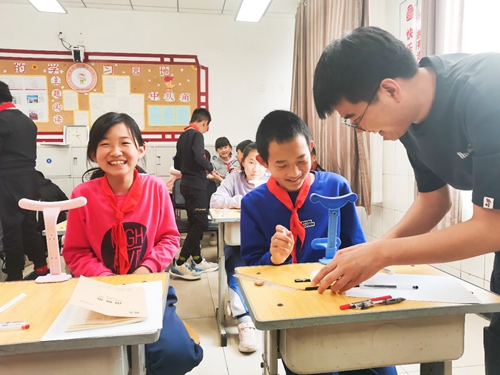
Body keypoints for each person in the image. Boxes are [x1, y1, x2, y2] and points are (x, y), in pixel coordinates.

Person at [311, 26, 500, 375]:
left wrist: (381, 253)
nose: (362, 130)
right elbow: (433, 201)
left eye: (355, 119)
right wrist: (371, 253)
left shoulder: (486, 92)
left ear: (389, 89)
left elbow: (492, 228)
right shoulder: (409, 121)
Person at [240, 110, 397, 375]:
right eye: (281, 165)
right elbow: (252, 266)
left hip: (343, 301)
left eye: (302, 160)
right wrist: (273, 258)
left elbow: (357, 247)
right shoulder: (253, 204)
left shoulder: (336, 187)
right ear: (263, 161)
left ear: (312, 151)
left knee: (380, 368)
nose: (294, 172)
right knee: (316, 366)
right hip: (294, 311)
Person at [62, 112, 203, 375]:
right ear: (93, 153)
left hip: (148, 289)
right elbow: (76, 252)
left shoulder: (156, 188)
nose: (115, 151)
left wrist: (145, 270)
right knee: (92, 362)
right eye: (105, 144)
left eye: (125, 143)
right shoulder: (82, 195)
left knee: (177, 355)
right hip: (100, 293)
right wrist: (108, 280)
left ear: (141, 149)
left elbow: (169, 238)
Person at [210, 142, 268, 353]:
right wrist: (242, 201)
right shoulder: (234, 179)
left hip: (267, 246)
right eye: (251, 162)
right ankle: (244, 322)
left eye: (261, 163)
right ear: (243, 162)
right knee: (236, 268)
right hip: (238, 244)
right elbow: (215, 200)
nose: (256, 167)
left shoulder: (272, 182)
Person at [0, 81, 49, 281]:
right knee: (29, 226)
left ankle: (14, 275)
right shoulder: (27, 121)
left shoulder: (2, 121)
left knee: (11, 227)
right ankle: (41, 267)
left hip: (7, 179)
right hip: (29, 179)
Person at [171, 108, 219, 280]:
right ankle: (180, 263)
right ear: (204, 122)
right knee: (200, 224)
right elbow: (200, 157)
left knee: (193, 223)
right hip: (197, 186)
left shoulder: (183, 135)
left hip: (186, 184)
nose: (207, 130)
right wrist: (210, 168)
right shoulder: (197, 135)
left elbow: (177, 163)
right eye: (208, 126)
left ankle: (197, 260)